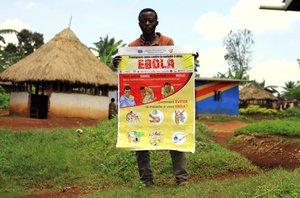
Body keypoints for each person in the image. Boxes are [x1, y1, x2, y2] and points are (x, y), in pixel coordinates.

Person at [115, 8, 188, 186]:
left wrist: (189, 58)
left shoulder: (167, 42)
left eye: (151, 21)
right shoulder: (131, 48)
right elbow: (126, 71)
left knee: (174, 137)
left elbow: (177, 62)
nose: (147, 24)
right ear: (139, 23)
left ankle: (182, 179)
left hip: (166, 102)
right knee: (141, 140)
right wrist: (117, 62)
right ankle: (146, 180)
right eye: (144, 21)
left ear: (157, 23)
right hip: (141, 104)